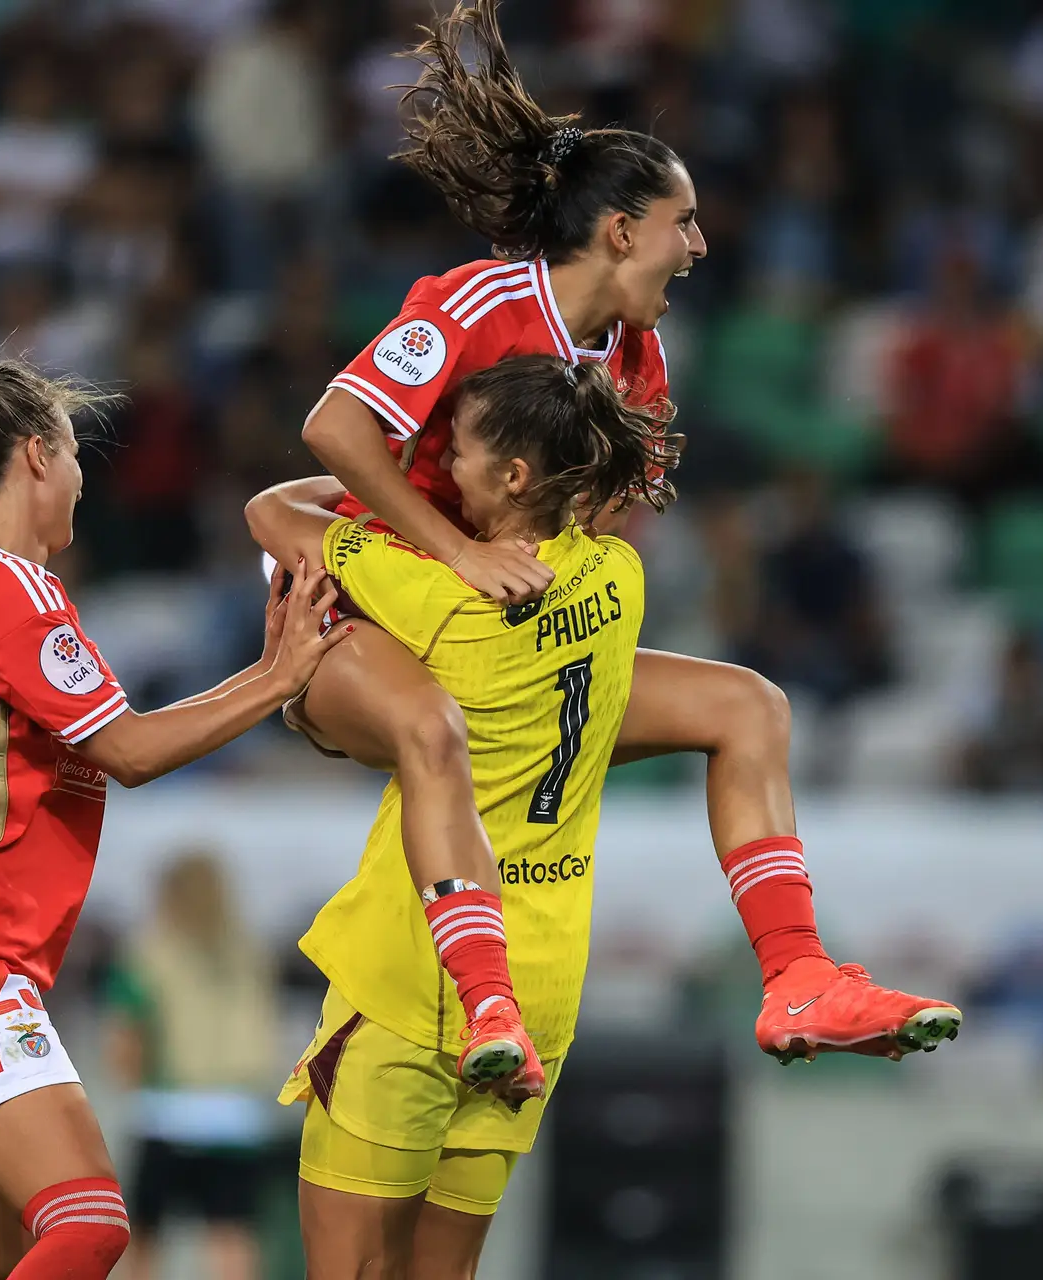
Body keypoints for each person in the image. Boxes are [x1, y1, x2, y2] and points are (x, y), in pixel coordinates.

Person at [285, 1, 958, 1075]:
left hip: (503, 640)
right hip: (368, 622)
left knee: (751, 705)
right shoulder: (471, 305)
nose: (699, 244)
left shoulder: (636, 362)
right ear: (619, 230)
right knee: (434, 727)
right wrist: (456, 552)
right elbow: (333, 428)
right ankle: (489, 1005)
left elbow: (584, 530)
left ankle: (797, 976)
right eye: (683, 220)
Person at [0, 357, 350, 1280]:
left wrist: (268, 674)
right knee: (90, 1226)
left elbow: (121, 739)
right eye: (76, 453)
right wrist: (277, 679)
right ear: (38, 456)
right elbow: (132, 754)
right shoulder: (7, 589)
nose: (84, 477)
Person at [245, 354, 676, 1276]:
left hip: (414, 980)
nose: (446, 463)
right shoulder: (621, 580)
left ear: (514, 476)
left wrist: (400, 482)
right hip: (544, 987)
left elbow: (274, 513)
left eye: (460, 451)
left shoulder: (443, 594)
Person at [106, 851, 281, 1280]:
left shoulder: (148, 952)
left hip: (167, 1110)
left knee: (146, 1236)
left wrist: (129, 1083)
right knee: (232, 1235)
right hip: (237, 1114)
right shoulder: (250, 950)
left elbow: (128, 1036)